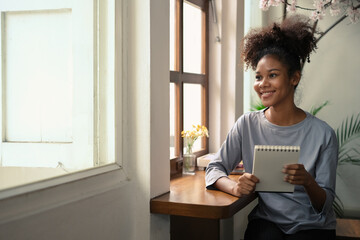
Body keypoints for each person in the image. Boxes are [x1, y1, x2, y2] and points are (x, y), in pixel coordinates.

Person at [205, 15, 338, 240]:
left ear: (294, 78)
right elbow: (215, 169)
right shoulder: (246, 125)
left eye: (273, 75)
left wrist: (307, 181)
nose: (262, 84)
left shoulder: (323, 134)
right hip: (267, 222)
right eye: (258, 76)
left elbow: (324, 205)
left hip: (312, 225)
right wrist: (235, 187)